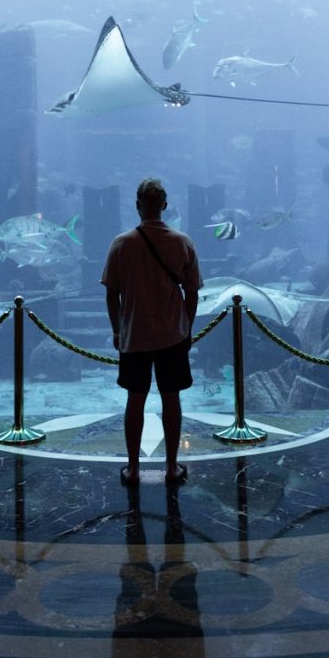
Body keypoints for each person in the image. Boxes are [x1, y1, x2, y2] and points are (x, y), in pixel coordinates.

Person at [101, 177, 202, 484]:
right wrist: (186, 326)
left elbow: (111, 293)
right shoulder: (182, 242)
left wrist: (118, 331)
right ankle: (172, 466)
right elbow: (193, 292)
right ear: (165, 206)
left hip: (135, 337)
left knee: (136, 400)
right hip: (173, 335)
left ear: (137, 206)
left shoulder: (121, 243)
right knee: (171, 400)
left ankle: (133, 467)